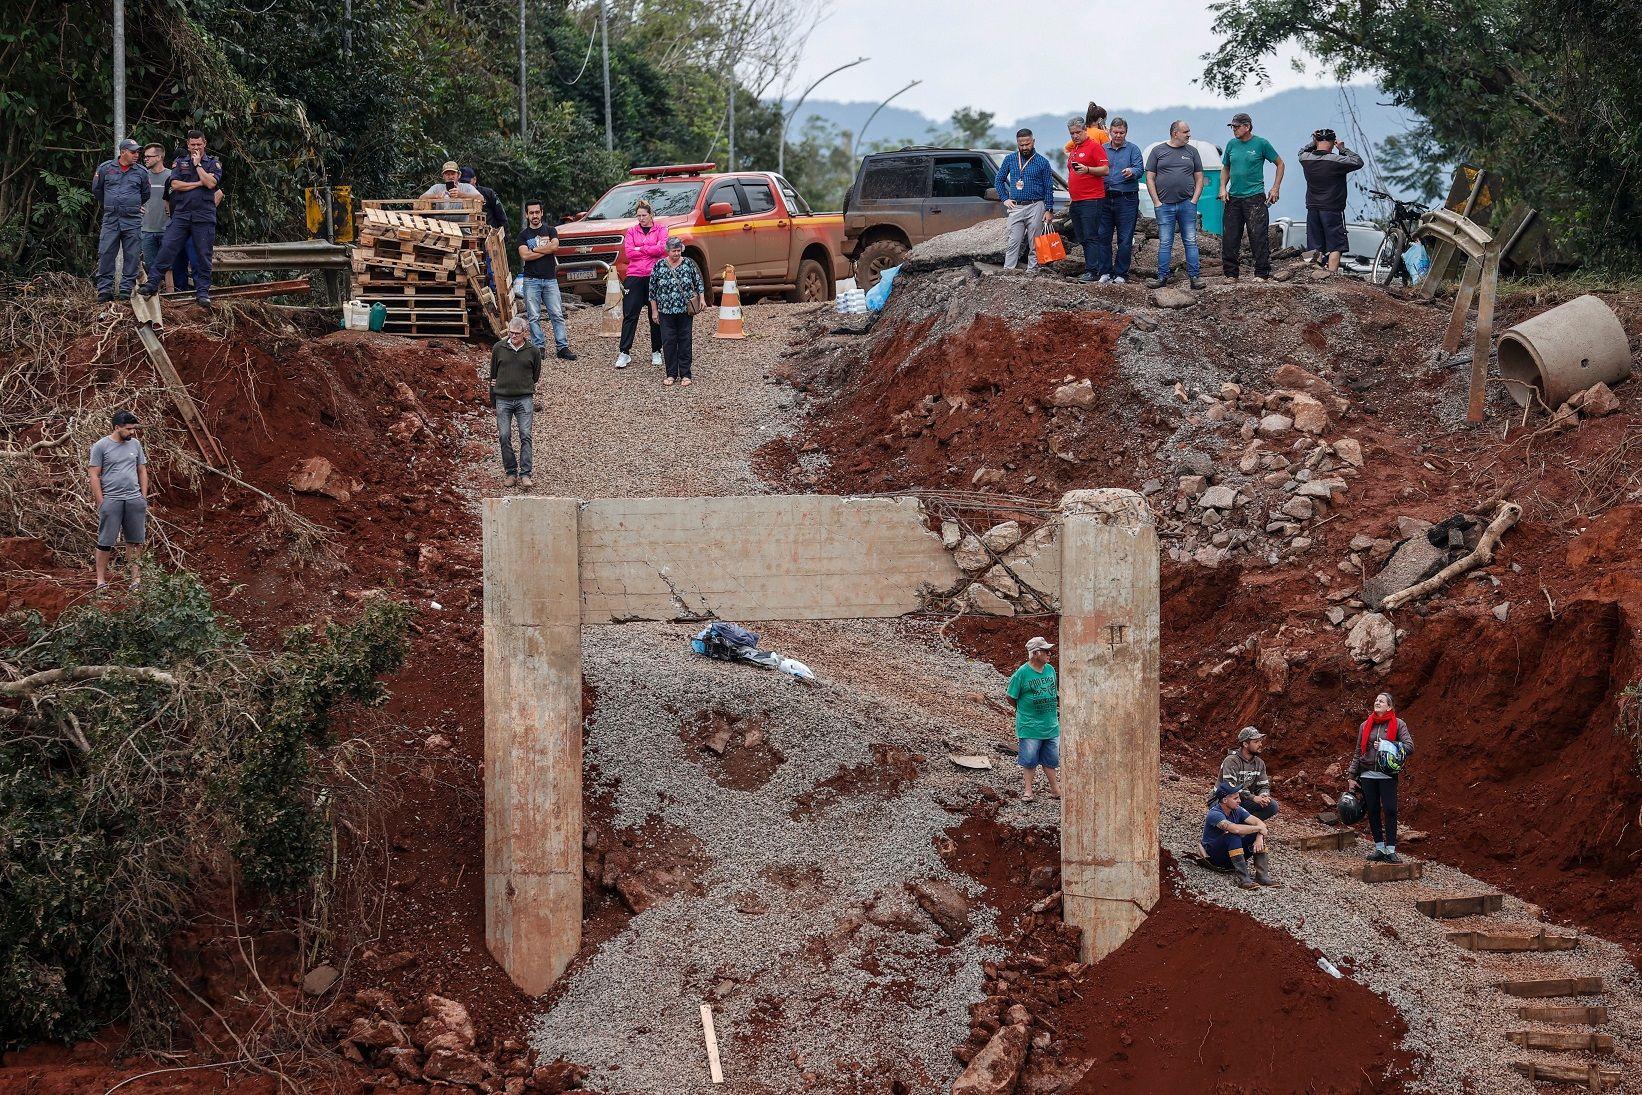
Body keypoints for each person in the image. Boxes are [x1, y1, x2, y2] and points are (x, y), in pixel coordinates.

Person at [138, 130, 223, 307]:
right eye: (193, 145)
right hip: (182, 215)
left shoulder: (213, 163)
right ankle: (152, 284)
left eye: (199, 144)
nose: (196, 147)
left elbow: (211, 183)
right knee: (168, 247)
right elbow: (175, 184)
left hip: (203, 217)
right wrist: (199, 183)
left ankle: (202, 293)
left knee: (202, 256)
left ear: (204, 143)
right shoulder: (180, 162)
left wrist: (199, 166)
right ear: (187, 144)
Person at [1348, 692, 1414, 863]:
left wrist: (1386, 745)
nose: (1377, 702)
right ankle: (1379, 848)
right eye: (1376, 700)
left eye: (1381, 701)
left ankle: (1391, 850)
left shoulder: (1399, 724)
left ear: (1389, 707)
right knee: (1373, 810)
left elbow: (1409, 747)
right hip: (1367, 773)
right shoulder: (1365, 725)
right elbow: (1357, 752)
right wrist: (1351, 775)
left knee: (1390, 810)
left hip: (1387, 774)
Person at [89, 410, 150, 590]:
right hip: (112, 500)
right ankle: (100, 581)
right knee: (105, 541)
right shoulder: (101, 446)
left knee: (135, 541)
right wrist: (101, 501)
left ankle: (136, 581)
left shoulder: (136, 445)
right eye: (129, 429)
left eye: (133, 429)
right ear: (117, 427)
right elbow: (94, 474)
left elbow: (142, 470)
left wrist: (143, 497)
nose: (132, 432)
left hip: (134, 500)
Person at [1219, 112, 1284, 282]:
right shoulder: (1231, 144)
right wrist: (1222, 188)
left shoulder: (1261, 143)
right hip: (1233, 197)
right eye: (1232, 127)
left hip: (1254, 196)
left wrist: (1275, 188)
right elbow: (1225, 167)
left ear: (1247, 127)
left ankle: (1261, 273)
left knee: (1258, 235)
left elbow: (1280, 163)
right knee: (1230, 236)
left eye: (1236, 126)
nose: (1233, 130)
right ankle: (1231, 274)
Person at [1145, 121, 1205, 290]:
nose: (1189, 134)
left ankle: (1194, 278)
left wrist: (1194, 200)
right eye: (1185, 131)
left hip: (1187, 204)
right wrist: (1156, 202)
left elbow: (1199, 178)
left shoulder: (1192, 152)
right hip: (1164, 206)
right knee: (1165, 242)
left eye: (1189, 131)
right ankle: (1162, 277)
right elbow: (1149, 177)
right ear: (1175, 133)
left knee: (1191, 241)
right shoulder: (1158, 151)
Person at [1298, 129, 1363, 274]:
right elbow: (1357, 161)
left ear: (1316, 141)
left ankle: (1314, 273)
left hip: (1312, 207)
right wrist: (1342, 148)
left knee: (1314, 243)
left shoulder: (1306, 159)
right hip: (1332, 208)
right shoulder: (1336, 160)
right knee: (1335, 244)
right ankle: (1331, 275)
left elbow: (1301, 151)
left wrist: (1313, 142)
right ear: (1333, 143)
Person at [92, 139, 149, 303]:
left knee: (132, 256)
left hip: (132, 220)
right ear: (123, 152)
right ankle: (104, 290)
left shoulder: (141, 172)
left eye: (138, 152)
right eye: (133, 152)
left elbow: (145, 194)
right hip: (111, 219)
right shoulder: (105, 168)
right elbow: (97, 190)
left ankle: (125, 290)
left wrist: (131, 204)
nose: (136, 155)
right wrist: (113, 204)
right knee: (106, 253)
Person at [516, 200, 575, 360]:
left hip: (550, 279)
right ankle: (538, 348)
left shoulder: (551, 230)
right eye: (531, 213)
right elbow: (524, 255)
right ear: (527, 215)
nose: (534, 215)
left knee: (557, 314)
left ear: (542, 213)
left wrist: (534, 249)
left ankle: (562, 347)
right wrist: (545, 250)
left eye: (537, 212)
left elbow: (554, 247)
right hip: (531, 280)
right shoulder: (523, 235)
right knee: (533, 316)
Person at [489, 316, 542, 488]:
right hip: (503, 399)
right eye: (511, 332)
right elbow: (493, 374)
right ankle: (510, 472)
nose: (513, 336)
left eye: (517, 334)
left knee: (525, 435)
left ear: (525, 333)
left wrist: (524, 385)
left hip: (524, 398)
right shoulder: (498, 348)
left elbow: (536, 374)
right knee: (504, 436)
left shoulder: (533, 350)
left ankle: (525, 473)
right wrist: (493, 398)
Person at [1006, 636, 1061, 802]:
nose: (1049, 653)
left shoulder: (1050, 669)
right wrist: (1022, 710)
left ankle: (1055, 790)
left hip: (1051, 724)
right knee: (1029, 759)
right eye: (1045, 651)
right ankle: (1028, 791)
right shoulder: (1021, 674)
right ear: (1035, 653)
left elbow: (1054, 690)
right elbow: (1010, 696)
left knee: (1051, 760)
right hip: (1030, 726)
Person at [993, 129, 1056, 273]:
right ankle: (1008, 271)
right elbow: (998, 180)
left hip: (1036, 205)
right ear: (1017, 143)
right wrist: (1004, 199)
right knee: (1013, 241)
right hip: (1016, 206)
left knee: (1035, 242)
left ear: (1033, 142)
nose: (1024, 147)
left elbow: (1048, 187)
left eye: (1027, 144)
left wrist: (1049, 209)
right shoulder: (1010, 159)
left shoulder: (1042, 162)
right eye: (1021, 145)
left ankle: (1032, 271)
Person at [647, 236, 707, 387]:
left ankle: (686, 373)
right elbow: (652, 291)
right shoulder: (659, 265)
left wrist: (702, 299)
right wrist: (654, 311)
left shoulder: (688, 264)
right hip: (665, 311)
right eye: (674, 251)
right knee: (668, 342)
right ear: (667, 251)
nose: (676, 253)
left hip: (684, 310)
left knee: (685, 341)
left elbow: (699, 282)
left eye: (679, 250)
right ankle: (671, 373)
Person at [615, 200, 667, 369]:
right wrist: (649, 247)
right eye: (638, 216)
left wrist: (641, 248)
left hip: (654, 275)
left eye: (644, 215)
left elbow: (663, 249)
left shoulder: (661, 229)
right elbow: (629, 252)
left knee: (656, 315)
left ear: (651, 214)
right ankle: (624, 352)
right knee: (630, 314)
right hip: (635, 275)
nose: (641, 219)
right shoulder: (631, 231)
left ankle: (656, 351)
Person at [1201, 782, 1278, 889]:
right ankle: (1244, 879)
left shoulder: (1238, 810)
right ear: (1224, 800)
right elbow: (1235, 829)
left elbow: (1260, 823)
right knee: (1233, 835)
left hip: (1229, 854)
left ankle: (1262, 876)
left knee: (1255, 833)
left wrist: (1259, 837)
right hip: (1214, 856)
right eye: (1235, 798)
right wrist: (1259, 829)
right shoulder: (1214, 814)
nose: (1240, 801)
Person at [1096, 117, 1144, 283]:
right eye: (1115, 132)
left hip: (1127, 199)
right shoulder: (1102, 149)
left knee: (1125, 238)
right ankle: (1105, 272)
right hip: (1105, 198)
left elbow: (1140, 169)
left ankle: (1121, 273)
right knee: (1103, 236)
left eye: (1121, 132)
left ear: (1126, 132)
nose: (1118, 135)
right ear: (1110, 132)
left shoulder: (1133, 149)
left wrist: (1132, 171)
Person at [1063, 117, 1110, 283]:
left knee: (1091, 236)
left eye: (1077, 132)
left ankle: (1094, 271)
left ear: (1085, 131)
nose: (1075, 136)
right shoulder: (1075, 148)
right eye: (1072, 133)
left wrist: (1088, 169)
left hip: (1092, 199)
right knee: (1081, 236)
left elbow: (1105, 169)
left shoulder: (1094, 147)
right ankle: (1090, 268)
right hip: (1076, 200)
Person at [1218, 726, 1279, 820]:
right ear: (1245, 744)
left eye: (1260, 741)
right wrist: (1253, 798)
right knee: (1232, 803)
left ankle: (1246, 827)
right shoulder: (1231, 760)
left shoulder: (1259, 763)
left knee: (1272, 806)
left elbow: (1264, 786)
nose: (1260, 744)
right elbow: (1231, 787)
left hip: (1242, 800)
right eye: (1256, 742)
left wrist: (1263, 796)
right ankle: (1231, 823)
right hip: (1223, 800)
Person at [137, 143, 173, 289]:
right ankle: (156, 299)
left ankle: (171, 295)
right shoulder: (142, 176)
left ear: (159, 157)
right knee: (151, 266)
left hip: (167, 228)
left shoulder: (171, 175)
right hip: (146, 229)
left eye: (148, 157)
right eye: (144, 157)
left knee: (169, 266)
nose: (145, 159)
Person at [462, 167, 509, 233]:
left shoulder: (488, 193)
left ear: (474, 180)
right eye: (462, 182)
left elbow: (501, 216)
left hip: (489, 234)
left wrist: (505, 237)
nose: (466, 185)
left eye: (467, 182)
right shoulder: (458, 195)